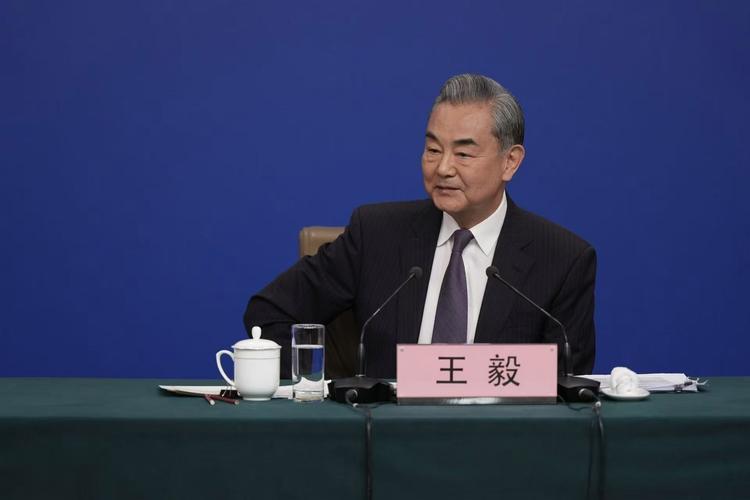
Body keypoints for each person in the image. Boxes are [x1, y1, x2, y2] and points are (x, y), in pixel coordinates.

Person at [244, 74, 596, 379]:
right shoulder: (375, 235)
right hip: (382, 431)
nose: (443, 168)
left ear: (510, 162)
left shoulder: (561, 260)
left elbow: (565, 385)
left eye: (463, 154)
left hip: (498, 435)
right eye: (433, 149)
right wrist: (324, 390)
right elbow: (269, 313)